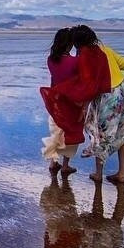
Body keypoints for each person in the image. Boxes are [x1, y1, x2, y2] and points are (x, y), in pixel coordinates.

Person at [71, 25, 124, 184]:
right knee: (122, 134)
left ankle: (98, 174)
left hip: (108, 97)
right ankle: (122, 174)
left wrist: (83, 106)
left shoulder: (86, 57)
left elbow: (89, 85)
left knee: (100, 135)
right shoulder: (106, 50)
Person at [40, 28, 83, 176]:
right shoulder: (75, 61)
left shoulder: (51, 59)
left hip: (55, 99)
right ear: (69, 44)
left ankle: (53, 162)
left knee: (56, 130)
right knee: (71, 132)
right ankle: (65, 165)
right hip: (71, 101)